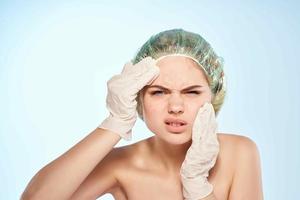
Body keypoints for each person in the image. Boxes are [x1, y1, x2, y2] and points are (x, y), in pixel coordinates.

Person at [21, 29, 263, 200]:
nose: (176, 106)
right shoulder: (121, 165)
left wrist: (198, 187)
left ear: (213, 95)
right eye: (159, 92)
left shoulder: (239, 153)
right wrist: (114, 124)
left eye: (191, 92)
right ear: (137, 97)